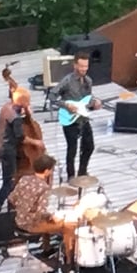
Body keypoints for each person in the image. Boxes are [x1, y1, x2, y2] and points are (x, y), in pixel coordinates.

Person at [56, 51, 98, 180]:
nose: (84, 69)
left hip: (83, 118)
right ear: (75, 65)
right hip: (69, 118)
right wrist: (67, 105)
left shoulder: (88, 81)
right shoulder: (67, 81)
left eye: (86, 66)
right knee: (72, 149)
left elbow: (88, 100)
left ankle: (82, 172)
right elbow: (52, 97)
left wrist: (94, 104)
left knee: (89, 146)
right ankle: (70, 175)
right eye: (81, 66)